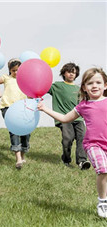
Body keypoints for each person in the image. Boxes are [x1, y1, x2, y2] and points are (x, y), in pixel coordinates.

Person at [38, 68, 107, 218]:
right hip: (93, 144)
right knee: (103, 169)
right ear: (84, 87)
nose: (94, 86)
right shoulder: (83, 105)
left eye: (98, 82)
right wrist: (44, 109)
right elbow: (64, 118)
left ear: (105, 85)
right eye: (90, 83)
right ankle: (103, 201)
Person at [47, 63, 90, 169]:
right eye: (69, 72)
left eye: (74, 72)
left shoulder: (79, 89)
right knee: (68, 138)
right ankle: (66, 159)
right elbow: (42, 88)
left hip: (78, 118)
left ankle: (82, 161)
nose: (72, 74)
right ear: (64, 73)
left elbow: (84, 103)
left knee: (82, 138)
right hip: (64, 118)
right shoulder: (57, 86)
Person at [0, 58, 29, 169]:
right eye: (13, 70)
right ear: (10, 70)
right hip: (8, 107)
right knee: (14, 131)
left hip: (23, 108)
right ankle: (18, 158)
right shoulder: (6, 78)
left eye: (18, 70)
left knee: (25, 132)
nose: (16, 72)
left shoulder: (25, 80)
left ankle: (22, 155)